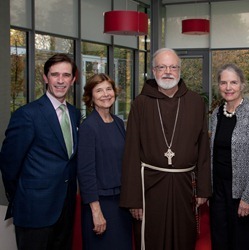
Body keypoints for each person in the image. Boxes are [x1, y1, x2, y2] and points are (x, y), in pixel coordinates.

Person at [119, 48, 211, 250]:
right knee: (153, 239)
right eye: (162, 67)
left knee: (183, 239)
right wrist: (134, 199)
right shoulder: (140, 103)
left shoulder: (195, 102)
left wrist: (203, 188)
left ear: (180, 70)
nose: (168, 71)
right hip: (149, 188)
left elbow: (204, 147)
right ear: (154, 71)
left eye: (173, 67)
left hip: (185, 186)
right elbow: (131, 152)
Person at [0, 53, 80, 250]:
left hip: (66, 209)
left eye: (66, 75)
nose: (60, 81)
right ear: (45, 78)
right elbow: (9, 165)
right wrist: (22, 198)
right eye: (55, 75)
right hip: (33, 210)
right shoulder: (27, 115)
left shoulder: (74, 113)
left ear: (73, 79)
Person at [209, 63, 249, 250]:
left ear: (242, 85)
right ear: (218, 86)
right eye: (223, 82)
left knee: (243, 243)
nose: (228, 87)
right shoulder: (216, 115)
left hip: (244, 194)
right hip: (218, 192)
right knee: (220, 242)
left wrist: (248, 197)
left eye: (233, 82)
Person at [77, 73, 132, 250]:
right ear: (91, 97)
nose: (105, 94)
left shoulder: (117, 122)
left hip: (121, 204)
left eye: (108, 89)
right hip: (100, 204)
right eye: (99, 90)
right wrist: (96, 212)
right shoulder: (88, 126)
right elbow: (86, 172)